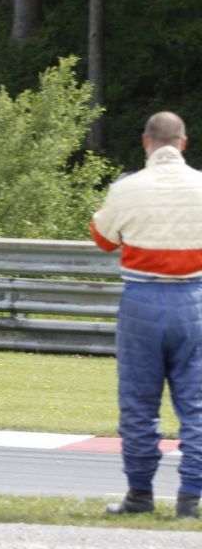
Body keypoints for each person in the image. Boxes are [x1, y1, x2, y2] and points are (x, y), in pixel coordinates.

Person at [91, 111, 202, 519]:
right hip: (195, 302)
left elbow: (103, 239)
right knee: (197, 404)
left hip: (142, 302)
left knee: (138, 404)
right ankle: (190, 499)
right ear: (183, 143)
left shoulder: (127, 189)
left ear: (145, 142)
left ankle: (139, 494)